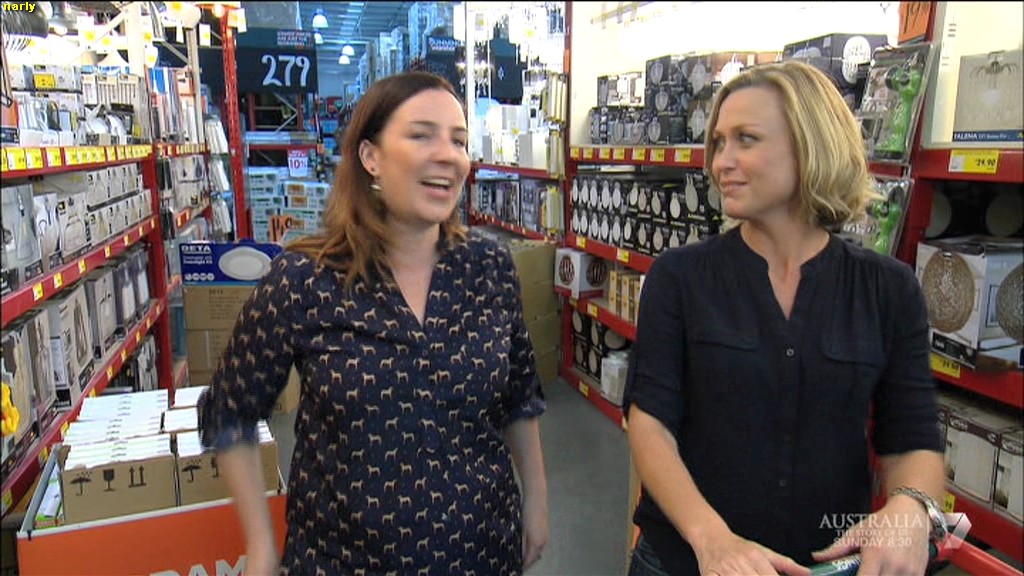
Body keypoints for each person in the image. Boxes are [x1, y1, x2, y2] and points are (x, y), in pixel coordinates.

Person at [198, 71, 549, 575]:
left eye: (458, 140)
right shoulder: (305, 279)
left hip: (483, 551)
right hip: (344, 560)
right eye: (421, 135)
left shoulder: (489, 269)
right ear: (370, 157)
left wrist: (536, 500)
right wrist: (260, 544)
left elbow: (520, 397)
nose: (448, 155)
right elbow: (229, 410)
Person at [623, 60, 946, 576]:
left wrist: (910, 507)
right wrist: (713, 541)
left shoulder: (887, 289)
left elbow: (913, 439)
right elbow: (650, 424)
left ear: (810, 145)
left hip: (826, 564)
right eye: (718, 143)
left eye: (746, 139)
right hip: (686, 562)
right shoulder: (679, 278)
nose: (722, 162)